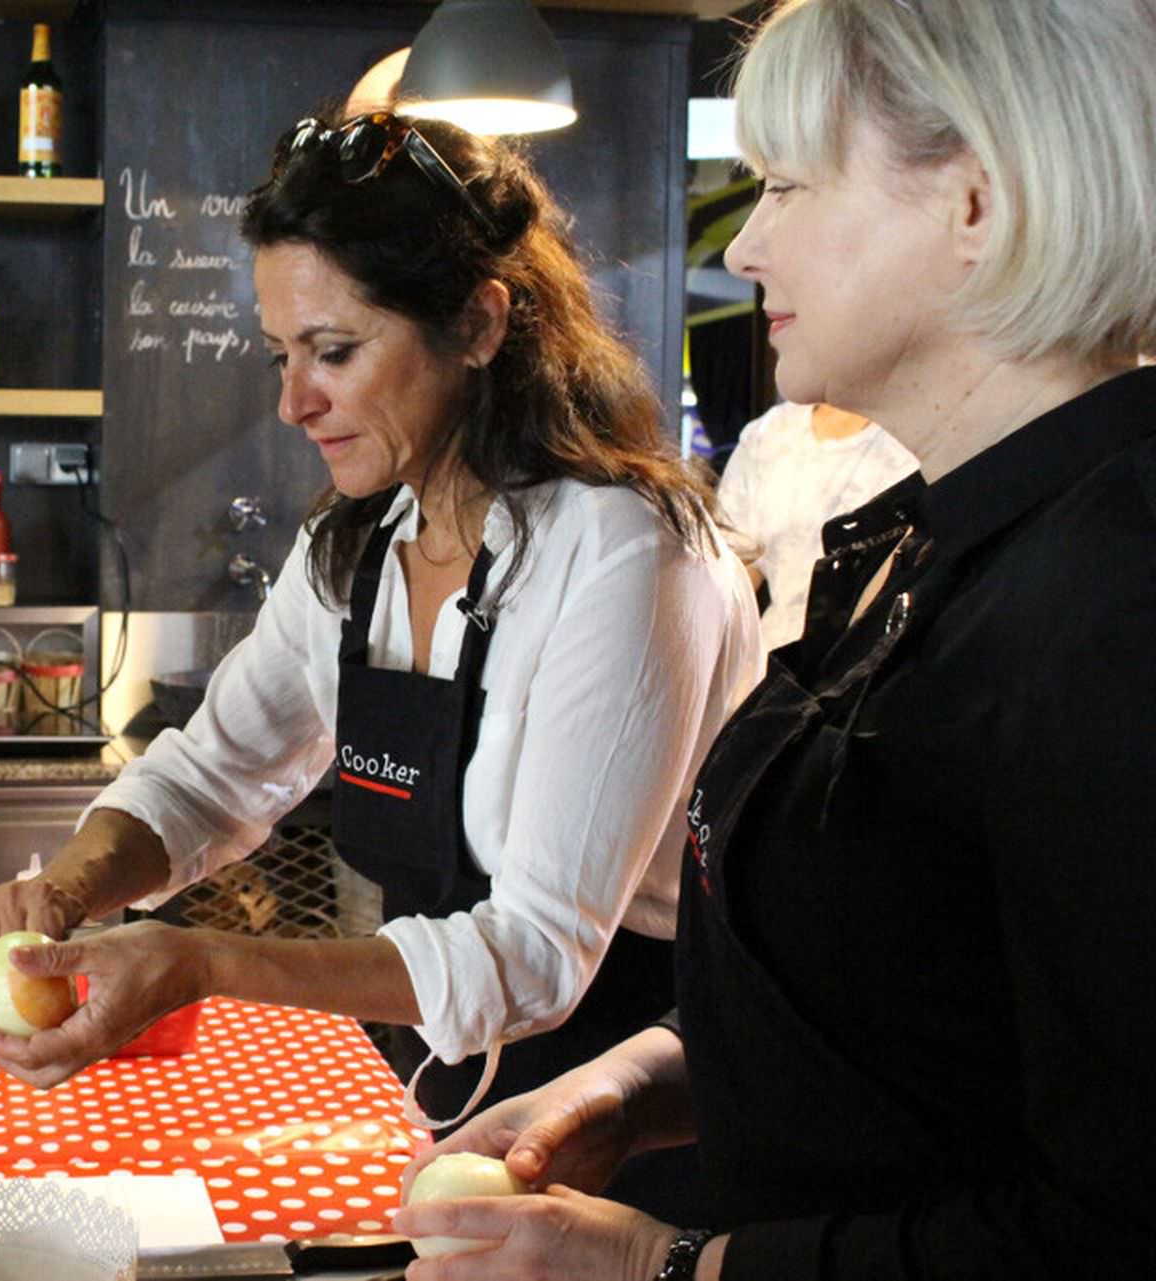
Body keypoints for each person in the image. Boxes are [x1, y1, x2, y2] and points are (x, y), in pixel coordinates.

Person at [390, 0, 1156, 1277]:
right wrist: (637, 1089)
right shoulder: (939, 540)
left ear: (976, 203)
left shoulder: (1116, 604)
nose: (745, 248)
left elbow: (1114, 1228)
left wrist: (664, 1269)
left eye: (789, 185)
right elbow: (912, 1005)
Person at [0, 108, 763, 1215]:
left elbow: (534, 954)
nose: (293, 402)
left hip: (630, 1123)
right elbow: (210, 776)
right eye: (282, 355)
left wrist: (199, 964)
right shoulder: (365, 547)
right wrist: (66, 892)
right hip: (449, 1096)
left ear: (480, 325)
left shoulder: (628, 552)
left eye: (335, 351)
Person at [716, 400, 916, 649]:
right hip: (775, 659)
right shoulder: (769, 432)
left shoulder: (914, 434)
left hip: (871, 661)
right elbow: (735, 570)